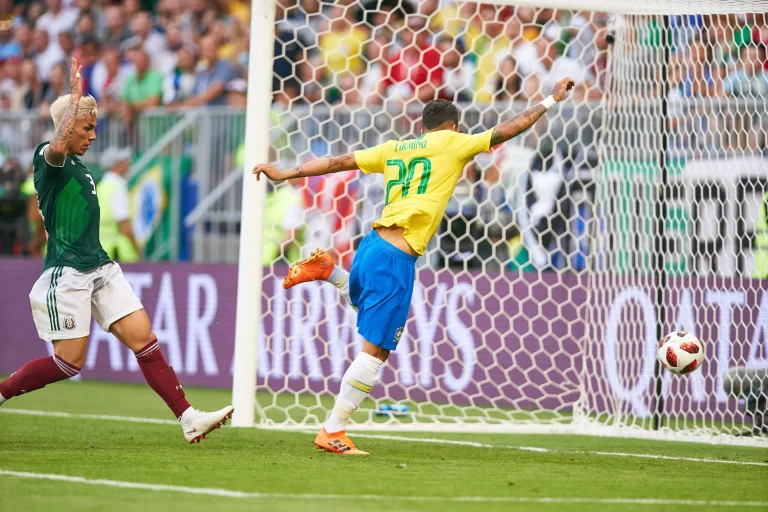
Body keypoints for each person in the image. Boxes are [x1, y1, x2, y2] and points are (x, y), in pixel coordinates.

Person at [254, 75, 576, 455]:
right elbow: (508, 130)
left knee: (364, 306)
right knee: (376, 353)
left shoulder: (395, 148)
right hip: (396, 257)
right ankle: (333, 430)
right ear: (453, 125)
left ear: (422, 125)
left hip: (370, 245)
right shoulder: (454, 143)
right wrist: (551, 100)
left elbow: (339, 162)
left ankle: (331, 271)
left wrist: (286, 173)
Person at [0, 58, 233, 444]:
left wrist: (80, 107)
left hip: (101, 267)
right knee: (68, 363)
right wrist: (74, 99)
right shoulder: (49, 160)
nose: (92, 136)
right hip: (67, 271)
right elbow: (57, 146)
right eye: (87, 128)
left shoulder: (83, 167)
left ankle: (188, 417)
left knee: (145, 340)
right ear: (67, 125)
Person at [97, 146, 140, 263]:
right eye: (124, 161)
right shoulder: (116, 188)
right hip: (117, 253)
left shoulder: (101, 186)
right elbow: (124, 224)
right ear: (116, 164)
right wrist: (137, 247)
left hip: (100, 251)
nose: (128, 164)